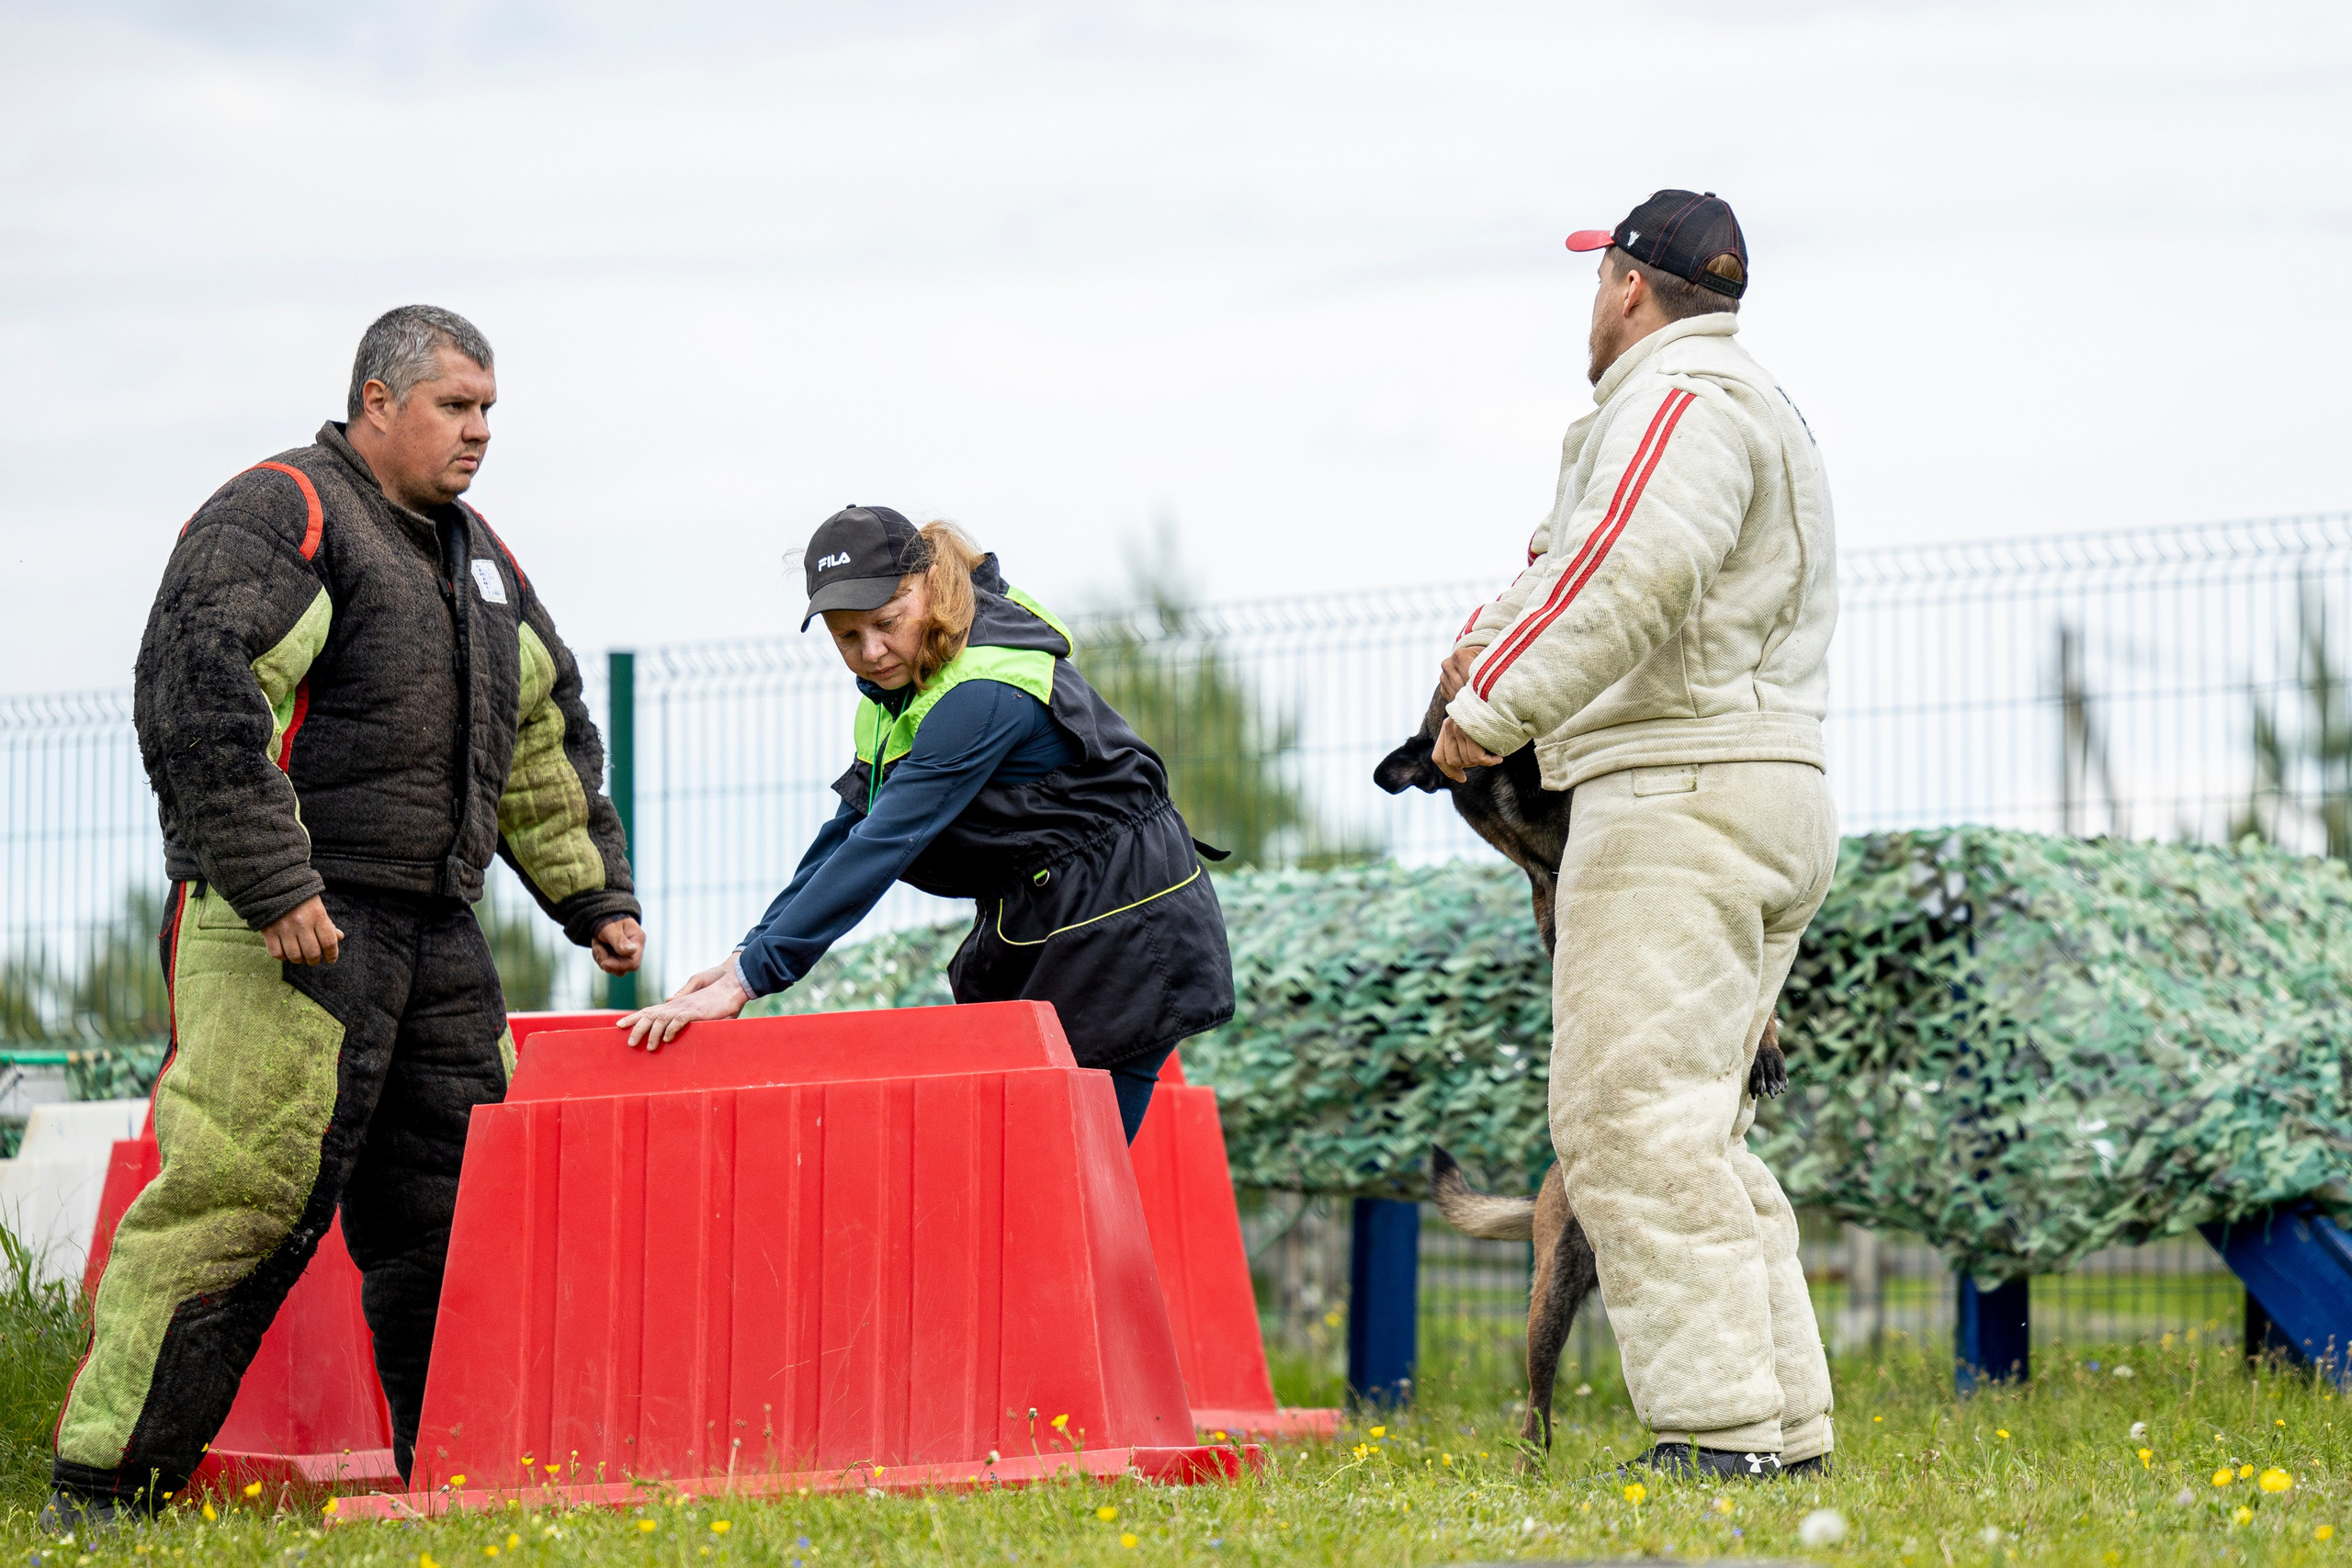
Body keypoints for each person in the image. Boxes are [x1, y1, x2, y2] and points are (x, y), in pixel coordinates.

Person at [46, 306, 645, 1529]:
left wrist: (595, 896)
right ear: (379, 399)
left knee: (458, 1207)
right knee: (241, 1194)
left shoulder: (479, 557)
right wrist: (276, 885)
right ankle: (102, 1489)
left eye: (489, 411)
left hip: (436, 928)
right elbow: (201, 690)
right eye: (455, 407)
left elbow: (542, 731)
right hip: (289, 926)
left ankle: (457, 1476)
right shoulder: (283, 511)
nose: (479, 432)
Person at [1433, 192, 1840, 1479]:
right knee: (1697, 1130)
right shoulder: (1751, 404)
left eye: (1593, 280)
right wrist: (1496, 626)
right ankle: (1783, 1426)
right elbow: (1591, 564)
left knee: (1629, 1130)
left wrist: (1487, 705)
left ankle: (1718, 1436)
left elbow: (1629, 573)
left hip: (1677, 795)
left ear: (1624, 285)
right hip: (1757, 782)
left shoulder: (1676, 406)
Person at [618, 505, 1234, 1142]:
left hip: (1131, 928)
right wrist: (746, 954)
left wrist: (754, 980)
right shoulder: (899, 694)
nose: (871, 651)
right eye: (848, 638)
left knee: (1066, 1168)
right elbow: (845, 835)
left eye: (886, 623)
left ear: (927, 587)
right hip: (1049, 920)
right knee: (1022, 1169)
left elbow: (885, 844)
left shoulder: (980, 692)